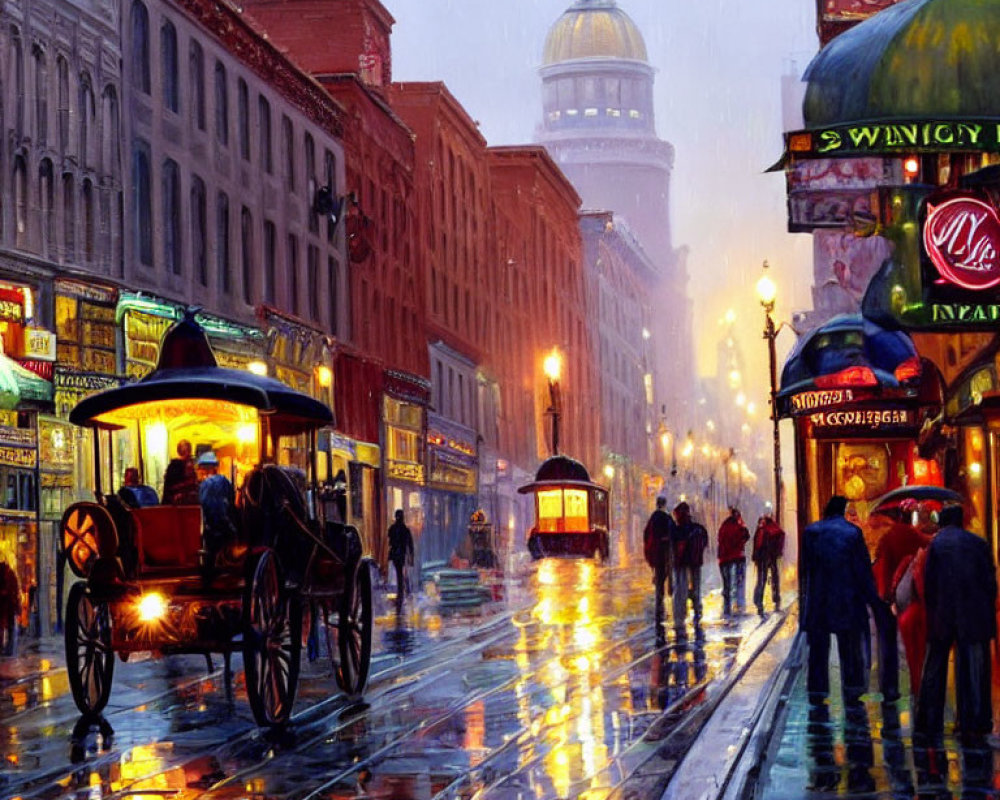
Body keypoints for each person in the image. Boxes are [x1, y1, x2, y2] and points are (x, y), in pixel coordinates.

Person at [915, 504, 997, 745]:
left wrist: (931, 612)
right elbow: (990, 583)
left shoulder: (938, 545)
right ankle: (975, 721)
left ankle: (930, 721)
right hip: (975, 614)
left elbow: (929, 585)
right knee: (974, 670)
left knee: (935, 667)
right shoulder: (979, 544)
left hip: (944, 613)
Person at [802, 495, 880, 705]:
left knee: (818, 648)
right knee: (850, 647)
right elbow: (863, 571)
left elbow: (805, 571)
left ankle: (817, 691)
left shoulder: (811, 532)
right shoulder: (853, 533)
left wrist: (805, 607)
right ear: (844, 510)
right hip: (847, 598)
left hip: (819, 599)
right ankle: (852, 689)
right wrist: (872, 600)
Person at [871, 500, 930, 701]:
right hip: (910, 594)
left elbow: (883, 568)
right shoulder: (914, 535)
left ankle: (889, 688)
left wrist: (884, 596)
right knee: (915, 643)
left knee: (886, 643)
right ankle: (918, 685)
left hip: (888, 594)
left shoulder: (888, 537)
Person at [670, 501, 708, 638]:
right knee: (696, 589)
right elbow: (705, 542)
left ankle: (680, 617)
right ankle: (697, 612)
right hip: (695, 563)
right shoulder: (698, 528)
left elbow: (672, 548)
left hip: (681, 564)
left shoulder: (676, 529)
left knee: (681, 590)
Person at [643, 496, 676, 640]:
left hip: (656, 554)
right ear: (664, 504)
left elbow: (646, 536)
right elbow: (675, 534)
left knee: (659, 579)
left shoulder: (652, 519)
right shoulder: (667, 518)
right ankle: (672, 606)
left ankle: (659, 605)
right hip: (666, 553)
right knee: (670, 578)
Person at [196, 451, 237, 565]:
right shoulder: (224, 481)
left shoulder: (204, 485)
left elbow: (206, 507)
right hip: (223, 529)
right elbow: (231, 502)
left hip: (210, 531)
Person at [717, 506, 749, 617]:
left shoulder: (723, 526)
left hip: (724, 558)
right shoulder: (739, 526)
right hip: (737, 557)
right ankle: (739, 605)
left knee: (727, 583)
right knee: (739, 581)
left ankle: (727, 606)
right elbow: (746, 535)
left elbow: (720, 540)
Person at [752, 510, 785, 616]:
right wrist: (778, 552)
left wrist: (755, 557)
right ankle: (776, 598)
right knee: (775, 578)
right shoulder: (776, 529)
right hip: (773, 557)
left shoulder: (762, 530)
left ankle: (759, 601)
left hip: (763, 558)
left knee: (762, 579)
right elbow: (781, 537)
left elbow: (757, 544)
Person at [388, 509, 414, 613]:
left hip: (395, 555)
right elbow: (410, 546)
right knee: (401, 575)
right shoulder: (405, 530)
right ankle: (403, 594)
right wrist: (411, 557)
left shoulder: (392, 529)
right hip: (401, 556)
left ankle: (403, 594)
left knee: (400, 575)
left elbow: (390, 541)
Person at [163, 439, 199, 504]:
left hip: (184, 502)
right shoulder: (175, 465)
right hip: (176, 504)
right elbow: (171, 487)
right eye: (187, 450)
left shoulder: (186, 463)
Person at [0, 559, 19, 656]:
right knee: (7, 628)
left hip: (7, 605)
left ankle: (8, 649)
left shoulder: (9, 575)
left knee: (7, 627)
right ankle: (8, 649)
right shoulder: (10, 575)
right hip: (7, 605)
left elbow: (14, 591)